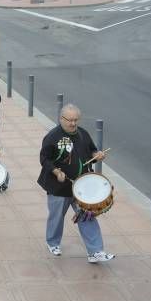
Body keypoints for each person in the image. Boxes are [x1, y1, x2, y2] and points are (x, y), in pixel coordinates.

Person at [37, 104, 114, 263]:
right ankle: (53, 242)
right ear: (61, 119)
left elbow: (92, 150)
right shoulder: (52, 137)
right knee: (57, 217)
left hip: (82, 186)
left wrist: (97, 154)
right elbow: (44, 159)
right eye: (69, 120)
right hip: (59, 187)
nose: (73, 123)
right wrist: (56, 172)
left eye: (75, 120)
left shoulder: (83, 134)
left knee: (87, 216)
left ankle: (95, 251)